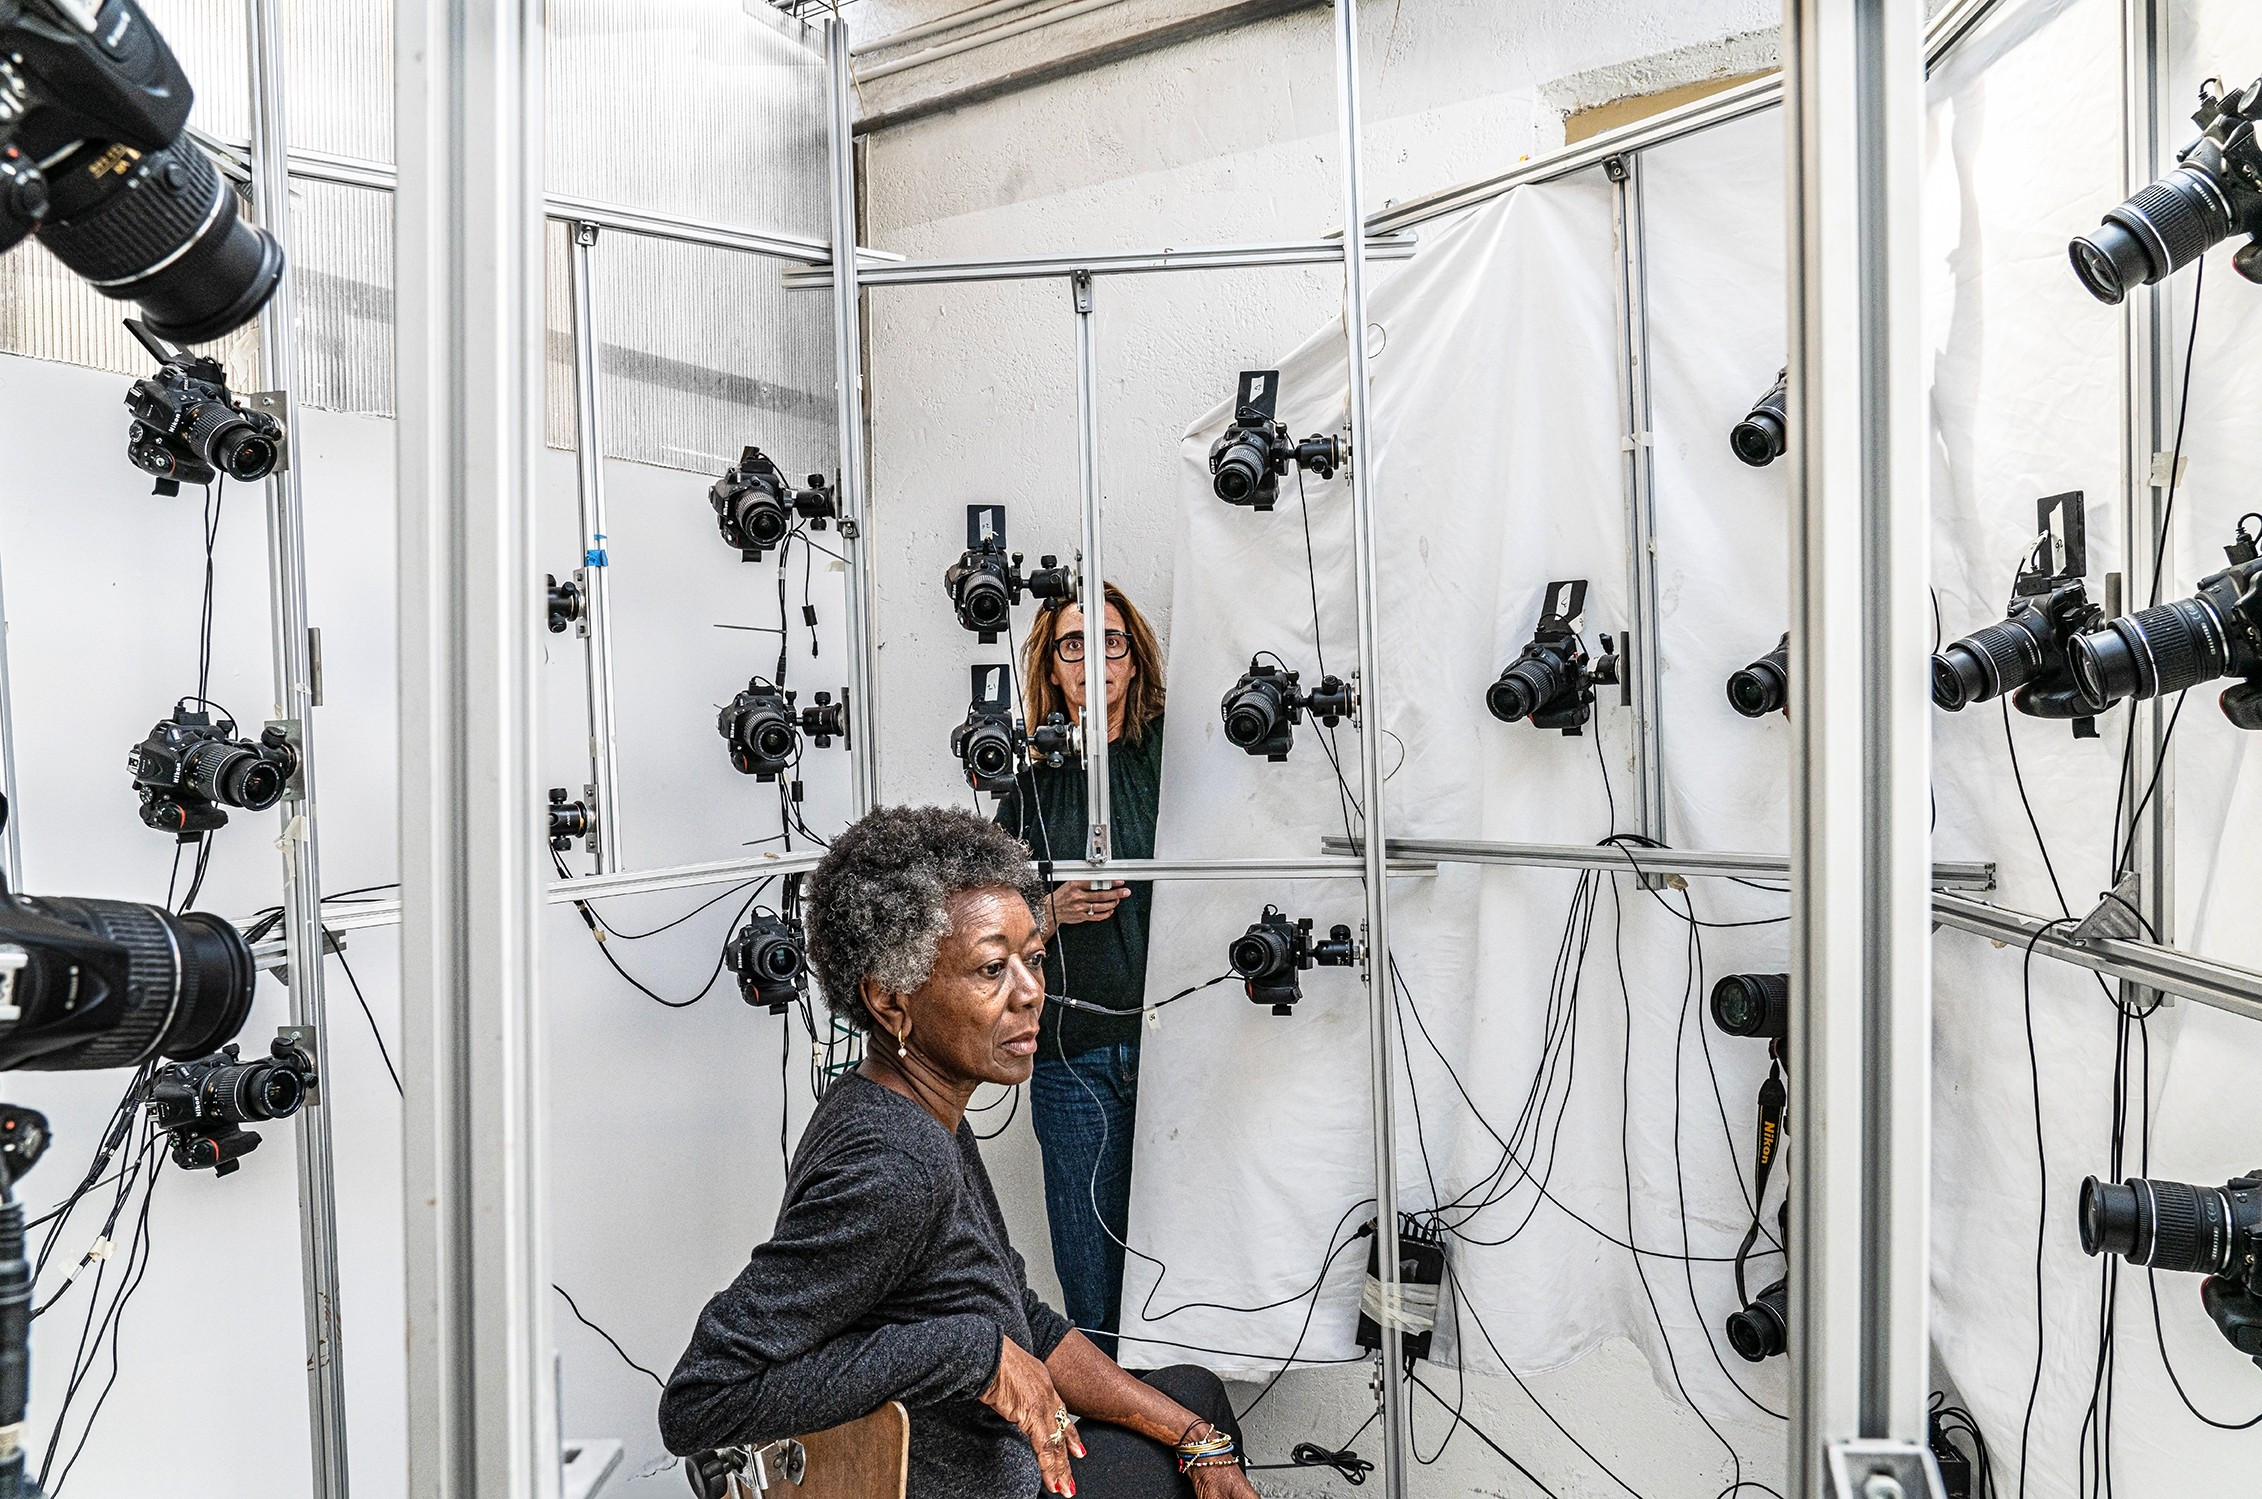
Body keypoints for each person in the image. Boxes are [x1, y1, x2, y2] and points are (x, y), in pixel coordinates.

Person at [659, 806, 1255, 1499]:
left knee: (1195, 1402)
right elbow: (702, 1399)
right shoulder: (893, 1163)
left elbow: (1018, 1313)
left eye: (1033, 958)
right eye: (991, 968)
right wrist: (966, 1354)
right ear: (890, 1001)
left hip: (1007, 1455)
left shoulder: (928, 1113)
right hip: (979, 1483)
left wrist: (1190, 1435)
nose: (1032, 992)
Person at [993, 582, 1166, 1361]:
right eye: (1072, 644)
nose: (1093, 660)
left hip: (1178, 1052)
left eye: (1110, 642)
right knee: (1093, 1297)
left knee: (1180, 1273)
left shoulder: (1178, 756)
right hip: (1075, 1060)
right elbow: (990, 924)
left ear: (1135, 658)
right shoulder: (1030, 777)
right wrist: (1051, 910)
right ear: (1051, 666)